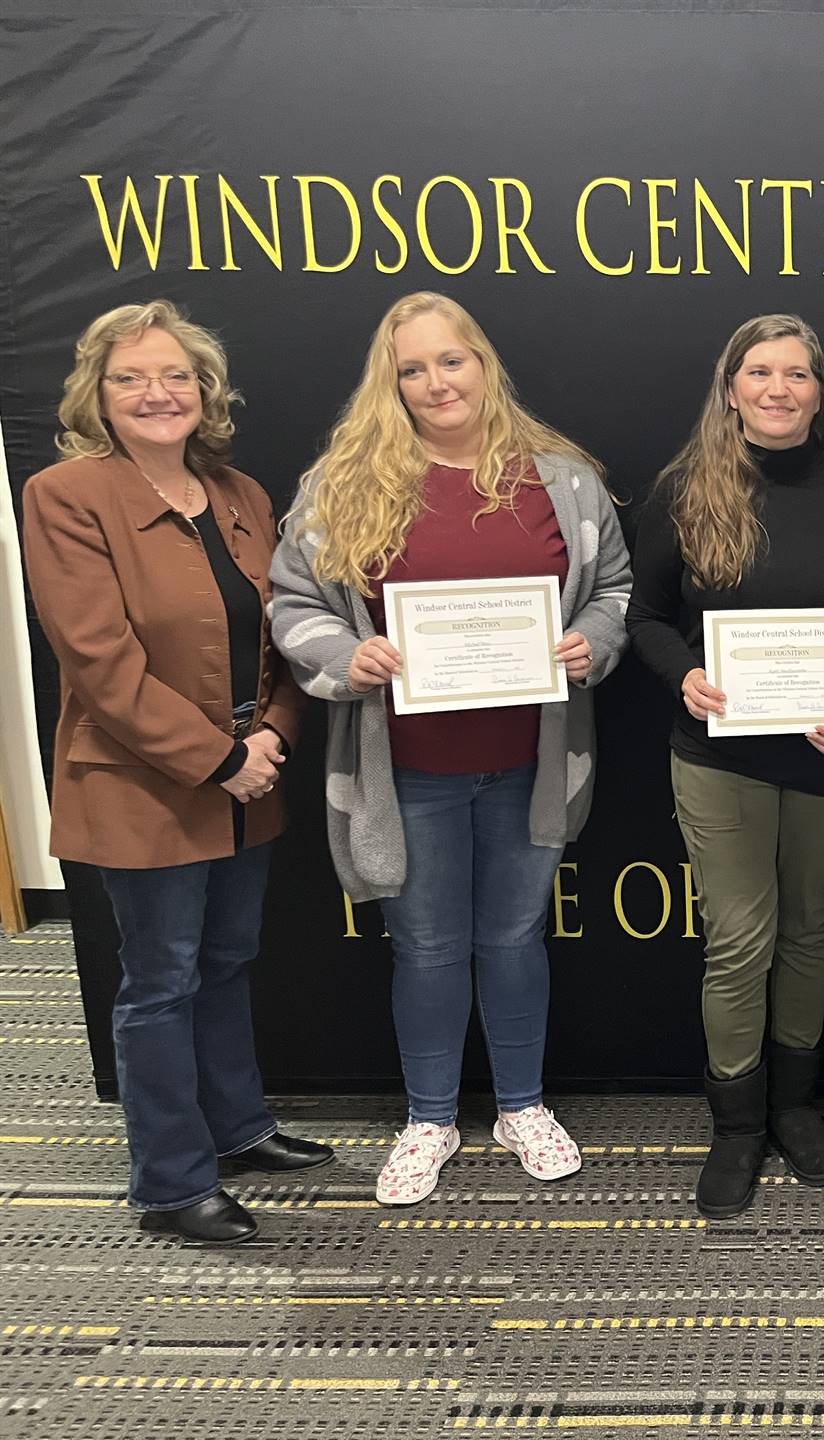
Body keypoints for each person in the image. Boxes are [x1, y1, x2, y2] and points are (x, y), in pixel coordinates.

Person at [269, 292, 631, 1206]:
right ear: (389, 384)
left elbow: (615, 588)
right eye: (412, 369)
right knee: (427, 949)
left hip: (531, 761)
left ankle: (521, 1106)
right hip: (410, 771)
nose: (436, 382)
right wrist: (348, 658)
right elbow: (289, 604)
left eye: (451, 360)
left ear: (484, 363)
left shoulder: (563, 480)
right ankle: (429, 1116)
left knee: (513, 938)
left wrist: (594, 640)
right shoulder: (342, 484)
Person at [21, 301, 332, 1245]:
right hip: (143, 784)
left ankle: (237, 1129)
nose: (158, 393)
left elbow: (283, 631)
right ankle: (168, 1182)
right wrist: (222, 758)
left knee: (227, 964)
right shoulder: (66, 494)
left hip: (248, 778)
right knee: (159, 981)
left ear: (205, 390)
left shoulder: (239, 492)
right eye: (131, 378)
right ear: (97, 397)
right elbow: (99, 661)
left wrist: (271, 734)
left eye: (175, 376)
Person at [627, 314, 824, 1218]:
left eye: (796, 375)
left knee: (811, 932)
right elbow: (646, 619)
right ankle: (738, 1124)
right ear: (730, 386)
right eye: (759, 372)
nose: (779, 389)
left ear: (821, 391)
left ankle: (795, 1107)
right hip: (719, 756)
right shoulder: (686, 489)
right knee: (741, 940)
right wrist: (687, 677)